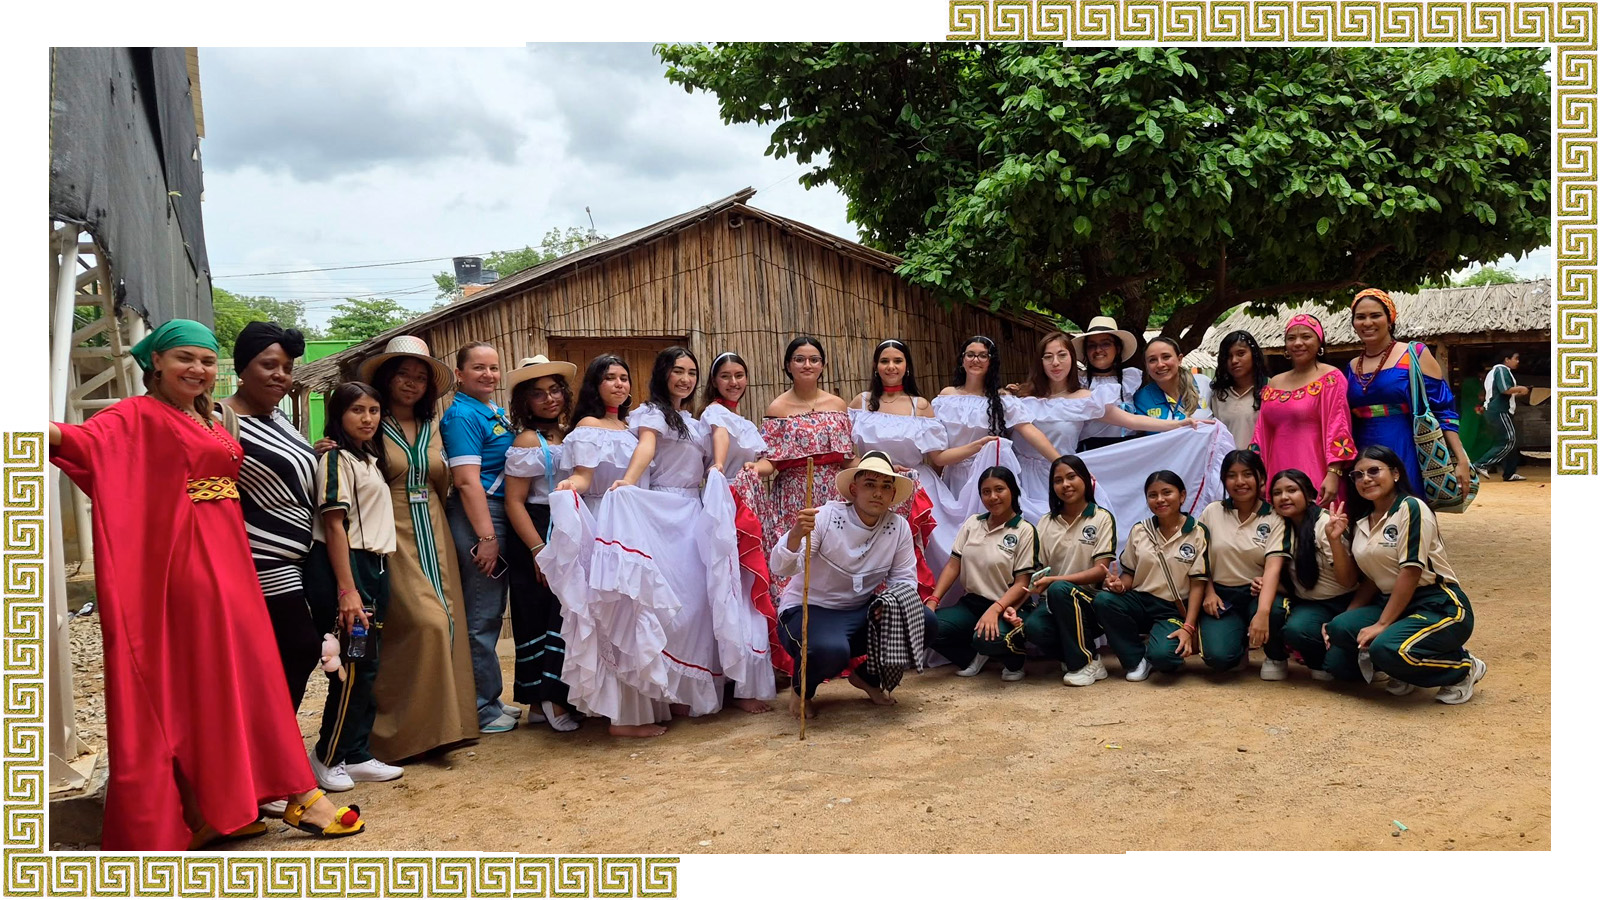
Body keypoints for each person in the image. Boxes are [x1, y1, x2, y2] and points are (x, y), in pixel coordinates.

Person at [49, 319, 362, 849]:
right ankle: (291, 795)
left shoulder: (208, 417)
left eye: (206, 360)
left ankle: (220, 805)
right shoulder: (134, 413)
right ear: (155, 363)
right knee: (219, 674)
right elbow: (77, 442)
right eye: (184, 359)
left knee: (234, 676)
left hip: (230, 556)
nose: (197, 369)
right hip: (190, 564)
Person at [611, 347, 776, 716]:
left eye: (691, 372)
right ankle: (672, 691)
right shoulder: (653, 412)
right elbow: (647, 447)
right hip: (664, 511)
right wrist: (628, 482)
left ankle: (697, 688)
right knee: (677, 606)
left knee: (704, 603)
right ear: (662, 373)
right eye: (677, 370)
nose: (685, 378)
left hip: (694, 511)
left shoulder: (693, 419)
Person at [359, 337, 480, 758]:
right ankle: (398, 734)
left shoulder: (434, 427)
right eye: (403, 375)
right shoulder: (372, 422)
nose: (411, 384)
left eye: (419, 377)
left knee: (447, 621)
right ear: (387, 378)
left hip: (434, 526)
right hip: (389, 530)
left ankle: (447, 728)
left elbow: (445, 480)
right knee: (418, 624)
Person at [546, 355, 673, 737]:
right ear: (595, 385)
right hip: (606, 522)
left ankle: (643, 705)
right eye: (610, 379)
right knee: (616, 614)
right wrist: (572, 485)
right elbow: (584, 477)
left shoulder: (633, 426)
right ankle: (623, 718)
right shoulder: (588, 426)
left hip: (637, 521)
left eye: (624, 378)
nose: (619, 385)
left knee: (639, 613)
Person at [770, 451, 939, 718]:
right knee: (832, 651)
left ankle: (868, 677)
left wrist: (891, 603)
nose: (878, 493)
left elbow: (904, 580)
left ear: (893, 494)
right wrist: (794, 535)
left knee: (923, 621)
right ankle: (802, 688)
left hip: (860, 611)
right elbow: (781, 568)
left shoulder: (899, 528)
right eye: (870, 484)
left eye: (886, 486)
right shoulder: (824, 517)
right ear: (853, 489)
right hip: (809, 610)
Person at [1324, 446, 1487, 703]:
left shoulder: (1411, 508)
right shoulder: (1361, 520)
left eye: (1374, 471)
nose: (1366, 479)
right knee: (1340, 628)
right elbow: (1367, 580)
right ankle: (1402, 668)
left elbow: (1411, 571)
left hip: (1437, 604)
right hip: (1394, 603)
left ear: (1396, 474)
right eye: (1358, 475)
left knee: (1386, 647)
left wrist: (1382, 624)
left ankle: (1462, 668)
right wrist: (1335, 541)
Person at [217, 322, 320, 717]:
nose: (281, 375)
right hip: (261, 557)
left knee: (286, 655)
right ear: (242, 368)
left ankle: (270, 749)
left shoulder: (279, 418)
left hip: (300, 556)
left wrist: (317, 452)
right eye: (269, 365)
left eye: (288, 367)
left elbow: (286, 468)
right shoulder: (219, 420)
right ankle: (270, 747)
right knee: (299, 648)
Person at [307, 382, 402, 790]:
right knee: (351, 665)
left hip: (375, 566)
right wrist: (348, 590)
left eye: (374, 410)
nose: (367, 419)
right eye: (357, 411)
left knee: (369, 665)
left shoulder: (368, 459)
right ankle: (327, 755)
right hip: (350, 568)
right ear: (338, 415)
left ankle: (357, 752)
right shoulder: (335, 459)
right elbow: (333, 524)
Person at [1010, 330, 1201, 522]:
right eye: (1048, 357)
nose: (1056, 363)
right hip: (1020, 475)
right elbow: (1027, 431)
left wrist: (1178, 424)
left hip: (1061, 477)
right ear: (1040, 361)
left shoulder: (1084, 399)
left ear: (1072, 358)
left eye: (1062, 355)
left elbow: (1129, 420)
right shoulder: (1020, 397)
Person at [440, 341, 523, 734]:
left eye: (493, 368)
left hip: (498, 513)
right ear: (459, 374)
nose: (488, 375)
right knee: (480, 611)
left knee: (490, 609)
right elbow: (466, 481)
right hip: (481, 515)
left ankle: (489, 697)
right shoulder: (461, 416)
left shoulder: (491, 410)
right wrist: (486, 537)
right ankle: (479, 707)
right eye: (478, 368)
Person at [928, 336, 1057, 580]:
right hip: (955, 481)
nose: (976, 359)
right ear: (962, 360)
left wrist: (1061, 462)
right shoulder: (946, 397)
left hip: (988, 482)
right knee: (956, 541)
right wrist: (975, 447)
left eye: (983, 355)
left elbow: (1030, 432)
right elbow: (937, 455)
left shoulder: (1001, 399)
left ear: (991, 361)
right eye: (970, 354)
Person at [501, 355, 583, 732]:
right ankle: (549, 696)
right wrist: (538, 549)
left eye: (554, 390)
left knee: (565, 610)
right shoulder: (527, 440)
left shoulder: (570, 433)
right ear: (525, 402)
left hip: (569, 525)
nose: (549, 399)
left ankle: (541, 702)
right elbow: (514, 500)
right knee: (542, 610)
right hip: (538, 527)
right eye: (538, 394)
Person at [699, 351, 792, 681]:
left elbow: (771, 462)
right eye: (725, 376)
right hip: (729, 500)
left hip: (754, 502)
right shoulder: (713, 413)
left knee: (756, 579)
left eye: (739, 375)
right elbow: (719, 438)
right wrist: (721, 465)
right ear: (714, 381)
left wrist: (756, 467)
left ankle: (761, 662)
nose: (733, 382)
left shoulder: (749, 423)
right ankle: (735, 672)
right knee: (736, 580)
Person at [1345, 288, 1471, 501]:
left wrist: (1461, 459)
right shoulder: (1351, 366)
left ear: (1390, 318)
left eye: (1375, 315)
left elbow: (1443, 410)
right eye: (1361, 317)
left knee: (1406, 508)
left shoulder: (1415, 354)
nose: (1367, 322)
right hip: (1361, 451)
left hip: (1405, 446)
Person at [1000, 455, 1116, 686]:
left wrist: (1055, 580)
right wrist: (1015, 606)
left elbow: (1100, 571)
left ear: (1085, 479)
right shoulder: (1046, 522)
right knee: (1033, 628)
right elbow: (1037, 576)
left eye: (1072, 477)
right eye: (1058, 480)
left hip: (1089, 603)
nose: (1065, 485)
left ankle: (1082, 663)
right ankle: (1085, 658)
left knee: (1060, 589)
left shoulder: (1101, 518)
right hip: (1051, 602)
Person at [847, 339, 946, 600]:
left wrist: (978, 446)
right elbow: (847, 453)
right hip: (869, 487)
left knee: (920, 549)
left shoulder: (920, 405)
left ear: (907, 366)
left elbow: (939, 456)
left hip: (913, 487)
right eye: (885, 361)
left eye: (898, 361)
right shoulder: (861, 403)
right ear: (876, 366)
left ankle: (916, 604)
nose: (891, 366)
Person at [750, 337, 854, 584]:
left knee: (834, 556)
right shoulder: (778, 408)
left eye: (814, 359)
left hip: (834, 494)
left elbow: (848, 460)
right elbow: (770, 462)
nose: (807, 364)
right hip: (792, 496)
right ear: (788, 365)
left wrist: (881, 467)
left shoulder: (838, 405)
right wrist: (754, 468)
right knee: (794, 559)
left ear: (822, 366)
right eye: (799, 359)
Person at [1093, 470, 1210, 681]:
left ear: (1182, 495)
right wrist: (1119, 586)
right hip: (1140, 600)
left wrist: (1189, 627)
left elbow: (1197, 585)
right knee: (1104, 600)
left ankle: (1157, 650)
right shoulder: (1140, 530)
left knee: (1164, 659)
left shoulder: (1197, 532)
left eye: (1167, 492)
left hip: (1171, 608)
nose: (1160, 499)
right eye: (1153, 495)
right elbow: (1129, 573)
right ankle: (1136, 659)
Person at [927, 466, 1040, 681]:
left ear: (1013, 491)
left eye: (999, 489)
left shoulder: (1024, 530)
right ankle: (973, 657)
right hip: (971, 604)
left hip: (1009, 606)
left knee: (988, 639)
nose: (993, 497)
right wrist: (933, 600)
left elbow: (1022, 583)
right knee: (927, 626)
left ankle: (1014, 661)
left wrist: (995, 610)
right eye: (986, 492)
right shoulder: (973, 523)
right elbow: (953, 565)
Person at [1256, 469, 1358, 681]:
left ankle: (1354, 659)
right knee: (1296, 629)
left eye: (1292, 490)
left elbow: (1348, 580)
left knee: (1343, 670)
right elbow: (1299, 580)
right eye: (1277, 493)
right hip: (1311, 603)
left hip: (1346, 601)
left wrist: (1335, 541)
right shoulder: (1278, 524)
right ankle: (1318, 661)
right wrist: (1267, 584)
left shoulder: (1324, 524)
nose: (1284, 497)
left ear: (1310, 494)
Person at [1249, 314, 1358, 507]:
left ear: (1319, 343)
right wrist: (1257, 473)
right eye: (1291, 338)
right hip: (1277, 468)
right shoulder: (1275, 382)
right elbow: (1261, 433)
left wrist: (1334, 473)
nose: (1298, 343)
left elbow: (1339, 426)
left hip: (1316, 467)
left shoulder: (1331, 378)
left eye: (1306, 337)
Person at [1194, 450, 1286, 675]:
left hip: (1260, 593)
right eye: (1232, 475)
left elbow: (1274, 566)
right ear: (1224, 480)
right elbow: (1199, 559)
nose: (1240, 482)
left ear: (1260, 478)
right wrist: (1209, 592)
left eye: (1247, 474)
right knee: (1219, 659)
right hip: (1221, 595)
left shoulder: (1275, 516)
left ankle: (1276, 656)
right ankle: (1238, 646)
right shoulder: (1212, 511)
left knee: (1273, 610)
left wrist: (1263, 613)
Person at [1072, 316, 1145, 450]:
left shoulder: (1131, 379)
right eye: (1092, 345)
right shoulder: (1077, 382)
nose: (1098, 350)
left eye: (1105, 343)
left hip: (1129, 449)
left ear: (1117, 348)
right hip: (1090, 451)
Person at [1472, 348, 1531, 482]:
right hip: (1499, 410)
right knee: (1509, 439)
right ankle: (1482, 464)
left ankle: (1509, 473)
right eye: (1515, 358)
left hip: (1497, 411)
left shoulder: (1495, 371)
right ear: (1507, 359)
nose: (1517, 361)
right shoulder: (1501, 370)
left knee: (1508, 442)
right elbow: (1505, 389)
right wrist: (1521, 389)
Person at [1210, 330, 1269, 451]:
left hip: (1262, 466)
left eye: (1241, 354)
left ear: (1254, 355)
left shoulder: (1270, 388)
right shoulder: (1219, 395)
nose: (1234, 361)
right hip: (1228, 466)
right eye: (1228, 356)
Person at [1130, 336, 1212, 423]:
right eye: (1152, 360)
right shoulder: (1141, 399)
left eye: (1166, 357)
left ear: (1179, 359)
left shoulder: (1204, 384)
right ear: (1146, 365)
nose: (1160, 364)